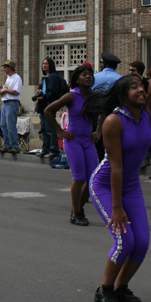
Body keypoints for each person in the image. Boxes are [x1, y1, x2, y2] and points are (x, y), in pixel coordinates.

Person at [86, 11, 151, 302]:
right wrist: (117, 209)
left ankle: (121, 287)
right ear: (123, 94)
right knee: (124, 241)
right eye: (134, 87)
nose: (141, 89)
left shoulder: (148, 113)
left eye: (141, 86)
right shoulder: (113, 122)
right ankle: (104, 288)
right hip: (107, 184)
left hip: (131, 185)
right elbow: (116, 166)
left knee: (141, 243)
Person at [45, 65, 95, 227]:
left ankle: (77, 209)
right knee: (79, 177)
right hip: (73, 140)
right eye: (84, 74)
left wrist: (99, 131)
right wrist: (60, 131)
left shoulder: (94, 97)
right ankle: (77, 213)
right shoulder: (71, 96)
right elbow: (48, 110)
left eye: (90, 74)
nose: (88, 77)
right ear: (77, 79)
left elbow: (102, 113)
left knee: (93, 178)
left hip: (88, 141)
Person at [36, 58, 62, 159]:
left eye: (46, 64)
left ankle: (54, 150)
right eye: (43, 63)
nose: (44, 65)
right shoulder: (45, 77)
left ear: (51, 65)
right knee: (43, 128)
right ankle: (45, 149)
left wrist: (44, 97)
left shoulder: (53, 77)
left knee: (50, 128)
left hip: (49, 105)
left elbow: (53, 92)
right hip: (43, 105)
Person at [0, 60, 23, 154]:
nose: (4, 69)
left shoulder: (17, 78)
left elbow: (16, 92)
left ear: (10, 68)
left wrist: (5, 90)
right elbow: (7, 90)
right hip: (5, 103)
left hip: (12, 103)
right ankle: (7, 145)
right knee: (3, 125)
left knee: (11, 125)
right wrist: (2, 91)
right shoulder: (8, 78)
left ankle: (15, 145)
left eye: (5, 67)